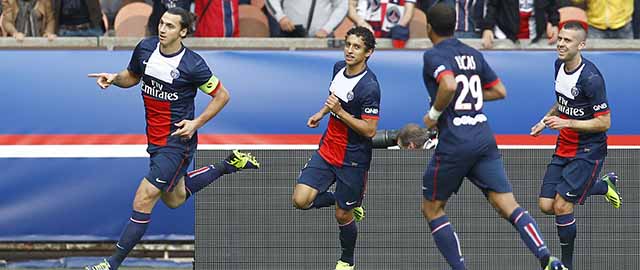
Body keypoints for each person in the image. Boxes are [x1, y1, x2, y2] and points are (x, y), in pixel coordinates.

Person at [85, 7, 259, 270]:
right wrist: (113, 78)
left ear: (183, 32)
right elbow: (131, 76)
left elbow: (222, 96)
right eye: (162, 23)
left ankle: (111, 264)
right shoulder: (145, 48)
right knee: (174, 199)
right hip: (155, 141)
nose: (163, 29)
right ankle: (229, 164)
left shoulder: (193, 64)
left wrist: (196, 123)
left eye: (170, 26)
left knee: (144, 197)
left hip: (177, 142)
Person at [420, 4, 566, 270]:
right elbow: (499, 90)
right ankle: (547, 257)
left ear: (428, 27)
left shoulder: (433, 55)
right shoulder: (472, 53)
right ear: (455, 26)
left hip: (455, 141)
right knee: (508, 205)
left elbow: (449, 84)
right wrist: (469, 98)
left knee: (432, 208)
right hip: (483, 137)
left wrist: (434, 112)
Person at [530, 21, 622, 270]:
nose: (560, 44)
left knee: (562, 205)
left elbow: (604, 122)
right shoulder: (559, 65)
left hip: (588, 151)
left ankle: (566, 265)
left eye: (567, 40)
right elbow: (563, 100)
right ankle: (603, 186)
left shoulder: (591, 78)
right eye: (560, 38)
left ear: (581, 45)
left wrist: (566, 122)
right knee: (545, 205)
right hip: (564, 146)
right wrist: (544, 121)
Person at [291, 26, 379, 270]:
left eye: (357, 47)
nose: (350, 51)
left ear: (368, 52)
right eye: (348, 44)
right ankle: (349, 201)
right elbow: (334, 97)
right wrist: (321, 113)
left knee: (342, 215)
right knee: (300, 200)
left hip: (353, 159)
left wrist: (340, 113)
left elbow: (369, 130)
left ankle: (347, 260)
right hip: (328, 148)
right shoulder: (338, 68)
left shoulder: (369, 87)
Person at [480, 0, 559, 49]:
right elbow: (492, 6)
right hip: (505, 36)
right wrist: (488, 28)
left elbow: (552, 6)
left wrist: (554, 24)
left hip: (534, 37)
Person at [265, 0, 347, 38]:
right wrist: (281, 17)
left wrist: (327, 29)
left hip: (322, 38)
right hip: (291, 34)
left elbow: (342, 6)